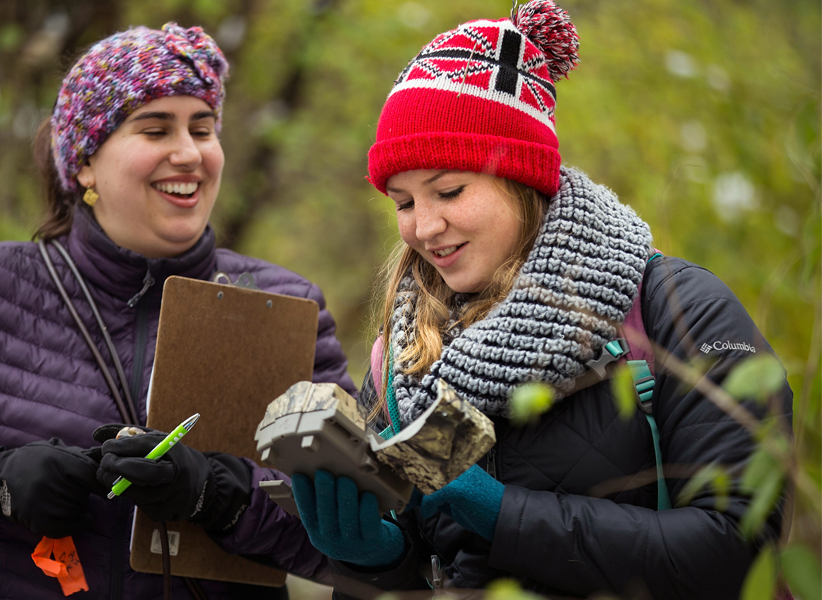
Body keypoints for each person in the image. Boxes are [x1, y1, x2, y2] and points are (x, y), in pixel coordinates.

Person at [289, 1, 793, 599]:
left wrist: (501, 512)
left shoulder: (674, 311)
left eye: (448, 190)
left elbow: (737, 547)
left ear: (523, 176)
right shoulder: (402, 361)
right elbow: (426, 561)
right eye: (404, 202)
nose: (424, 227)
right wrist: (375, 559)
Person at [0, 23, 355, 599]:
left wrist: (220, 497)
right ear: (84, 166)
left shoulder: (287, 306)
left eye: (203, 129)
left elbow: (366, 538)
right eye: (155, 129)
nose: (189, 153)